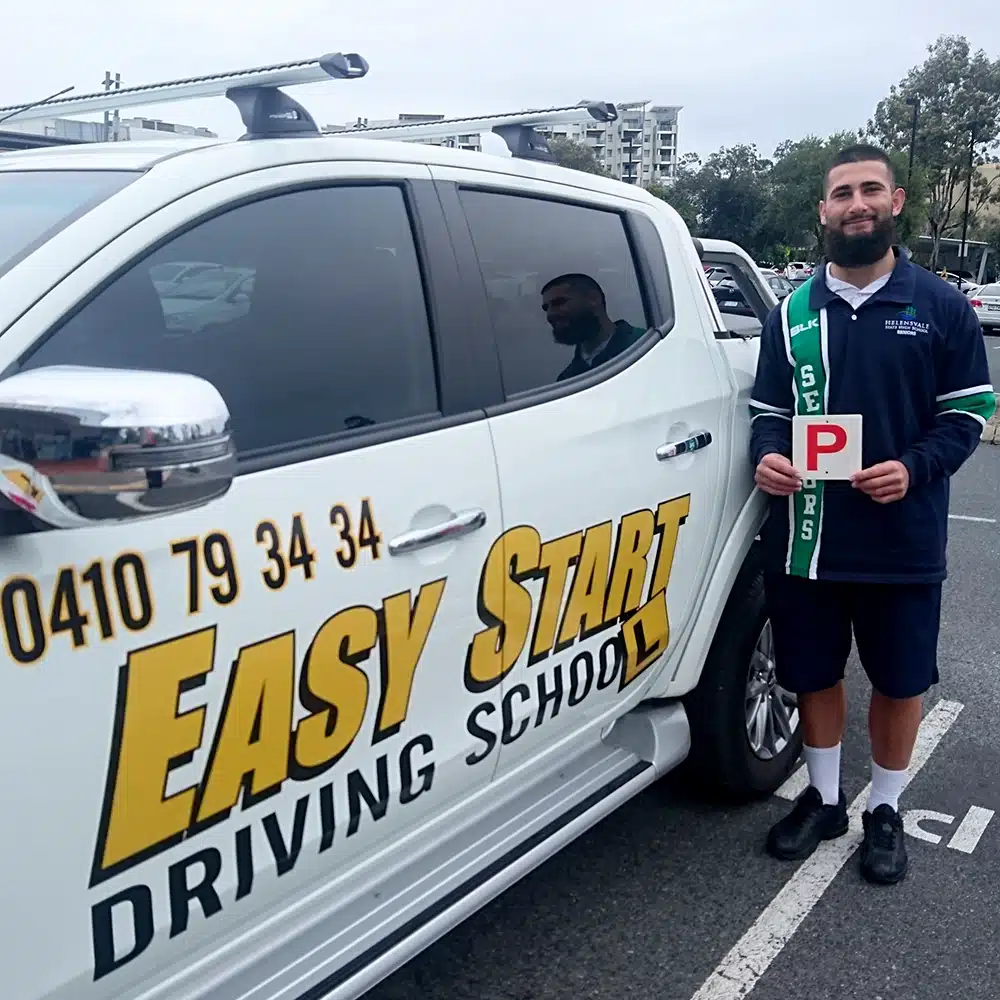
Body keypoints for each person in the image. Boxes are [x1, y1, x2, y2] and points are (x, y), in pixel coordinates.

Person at [748, 144, 995, 885]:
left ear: (895, 201)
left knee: (898, 684)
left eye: (870, 190)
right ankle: (824, 799)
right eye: (841, 193)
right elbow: (767, 411)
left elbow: (969, 414)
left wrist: (914, 468)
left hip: (902, 543)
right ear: (823, 211)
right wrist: (766, 456)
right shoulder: (790, 312)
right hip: (808, 542)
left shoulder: (941, 306)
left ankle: (884, 809)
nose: (856, 204)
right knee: (813, 674)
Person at [540, 273, 645, 381]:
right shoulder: (567, 380)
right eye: (546, 308)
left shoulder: (645, 346)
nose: (550, 315)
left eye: (559, 303)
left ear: (593, 299)